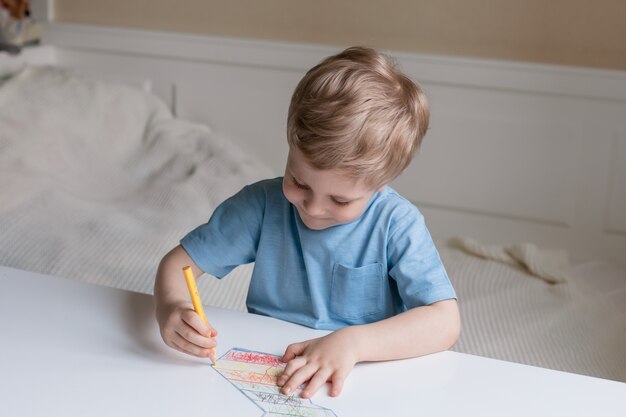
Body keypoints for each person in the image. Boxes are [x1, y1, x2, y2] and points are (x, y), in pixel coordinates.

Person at [154, 46, 460, 399]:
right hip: (270, 370)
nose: (313, 208)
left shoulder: (397, 223)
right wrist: (171, 309)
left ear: (381, 184)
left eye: (340, 200)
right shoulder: (262, 205)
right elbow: (178, 264)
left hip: (362, 377)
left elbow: (444, 322)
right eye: (299, 182)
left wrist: (353, 343)